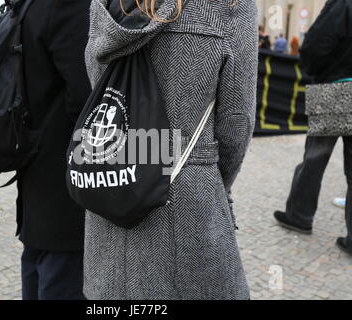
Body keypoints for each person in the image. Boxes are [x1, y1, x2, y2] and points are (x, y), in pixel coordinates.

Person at [83, 0, 257, 299]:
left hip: (111, 186)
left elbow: (101, 88)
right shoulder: (227, 5)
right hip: (187, 196)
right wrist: (211, 181)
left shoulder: (104, 5)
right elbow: (236, 123)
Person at [17, 0, 92, 300]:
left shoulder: (30, 5)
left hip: (35, 159)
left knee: (38, 263)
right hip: (64, 166)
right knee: (64, 272)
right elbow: (87, 97)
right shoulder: (70, 6)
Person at [274, 0, 352, 257]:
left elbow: (318, 43)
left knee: (315, 157)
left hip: (336, 85)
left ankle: (299, 215)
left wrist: (314, 71)